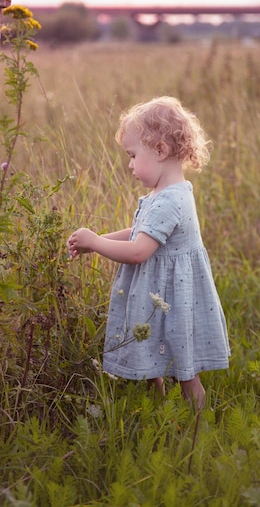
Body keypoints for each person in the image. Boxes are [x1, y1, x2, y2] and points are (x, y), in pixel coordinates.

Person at [67, 96, 230, 411]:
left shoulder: (171, 200)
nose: (129, 164)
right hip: (159, 293)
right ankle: (158, 414)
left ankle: (199, 425)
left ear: (160, 150)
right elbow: (139, 233)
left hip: (172, 299)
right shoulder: (164, 194)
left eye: (132, 155)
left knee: (186, 373)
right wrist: (95, 240)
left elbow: (139, 250)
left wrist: (96, 243)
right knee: (151, 358)